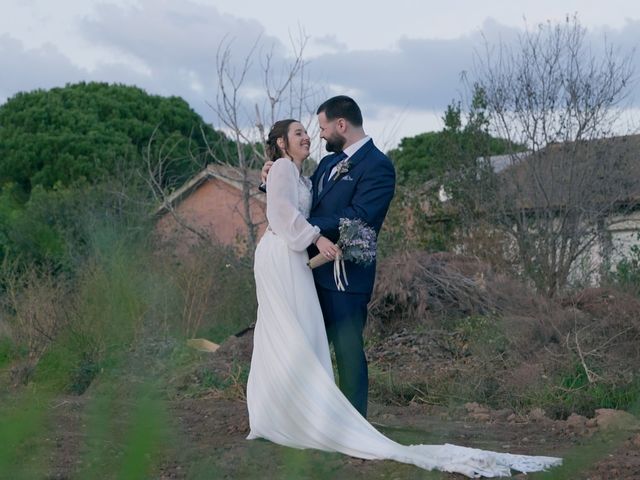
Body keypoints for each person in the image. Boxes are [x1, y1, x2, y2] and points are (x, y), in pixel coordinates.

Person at [246, 114, 562, 477]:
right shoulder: (296, 168)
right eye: (300, 132)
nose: (311, 136)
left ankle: (321, 417)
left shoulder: (340, 168)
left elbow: (335, 211)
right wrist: (311, 230)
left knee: (308, 336)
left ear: (342, 124)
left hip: (311, 261)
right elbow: (284, 210)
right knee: (288, 333)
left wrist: (281, 195)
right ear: (283, 143)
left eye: (314, 129)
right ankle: (287, 415)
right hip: (289, 256)